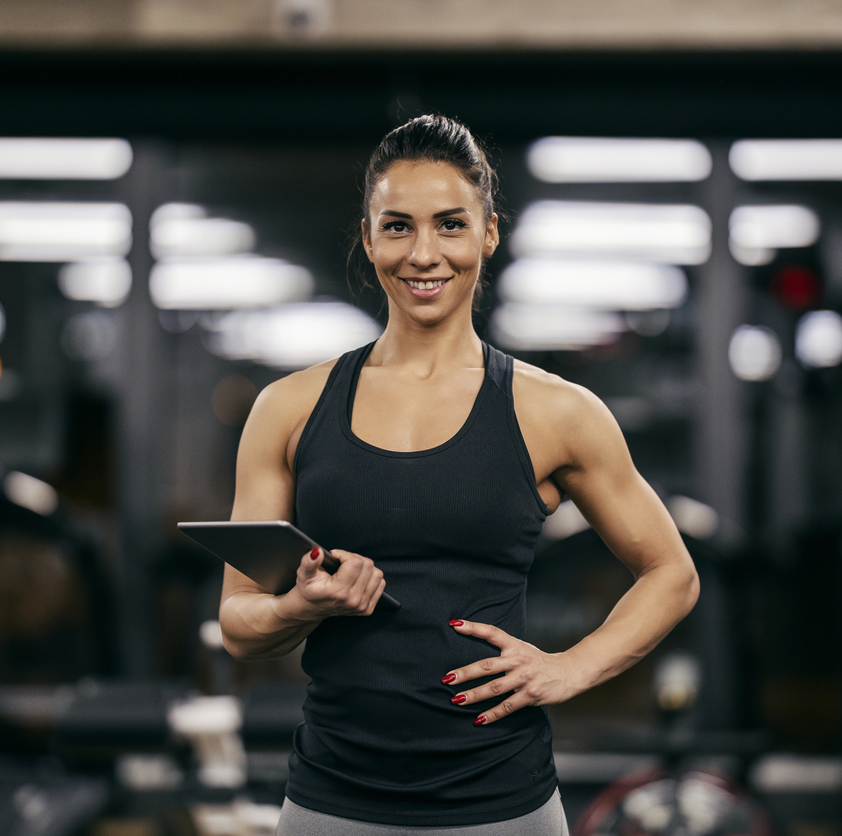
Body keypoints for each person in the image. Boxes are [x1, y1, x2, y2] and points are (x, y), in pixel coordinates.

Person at [218, 114, 699, 836]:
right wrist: (302, 607)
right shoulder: (287, 408)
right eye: (398, 226)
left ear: (488, 233)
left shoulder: (556, 412)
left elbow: (672, 574)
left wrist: (570, 668)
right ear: (369, 236)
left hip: (501, 803)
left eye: (449, 224)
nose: (424, 254)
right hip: (330, 798)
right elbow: (237, 623)